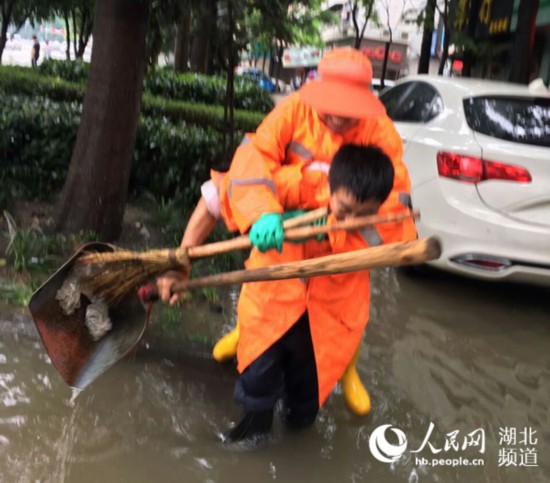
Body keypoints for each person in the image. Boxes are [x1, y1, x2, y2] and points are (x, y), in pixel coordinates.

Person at [156, 47, 416, 422]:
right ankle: (245, 337)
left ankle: (345, 369)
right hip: (273, 278)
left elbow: (394, 212)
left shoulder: (381, 135)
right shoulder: (292, 112)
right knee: (257, 379)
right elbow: (234, 180)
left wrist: (326, 213)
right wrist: (263, 213)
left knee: (310, 389)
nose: (340, 116)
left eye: (349, 107)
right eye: (332, 105)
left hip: (336, 284)